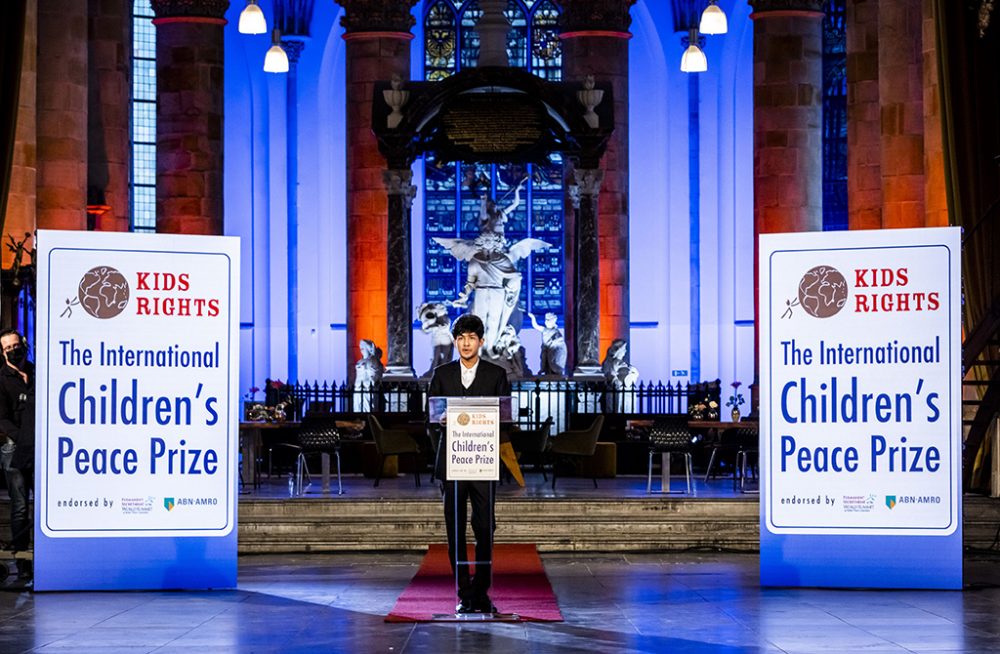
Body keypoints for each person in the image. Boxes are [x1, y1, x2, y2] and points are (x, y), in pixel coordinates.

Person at [428, 314, 511, 614]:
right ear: (455, 341)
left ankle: (481, 590)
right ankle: (463, 592)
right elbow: (432, 419)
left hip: (483, 463)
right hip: (452, 463)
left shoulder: (496, 374)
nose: (466, 343)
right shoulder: (441, 374)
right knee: (454, 529)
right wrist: (441, 423)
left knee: (485, 527)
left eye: (471, 338)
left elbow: (505, 420)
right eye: (461, 338)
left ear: (481, 341)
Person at [0, 329, 34, 583]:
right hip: (15, 448)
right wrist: (22, 439)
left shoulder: (37, 371)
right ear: (2, 353)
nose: (13, 350)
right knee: (20, 506)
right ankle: (22, 564)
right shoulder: (1, 379)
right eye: (7, 348)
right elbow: (2, 419)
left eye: (16, 345)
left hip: (39, 447)